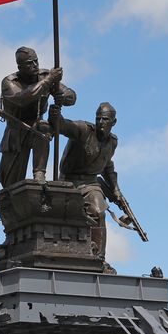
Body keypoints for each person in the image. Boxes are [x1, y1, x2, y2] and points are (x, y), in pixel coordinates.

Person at [49, 101, 120, 260]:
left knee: (99, 212)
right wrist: (56, 116)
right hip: (68, 182)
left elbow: (107, 166)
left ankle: (99, 258)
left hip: (90, 183)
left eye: (105, 120)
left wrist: (115, 189)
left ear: (113, 122)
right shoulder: (84, 130)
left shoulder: (112, 142)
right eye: (98, 118)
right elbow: (64, 126)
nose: (101, 122)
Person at [0, 46, 75, 186]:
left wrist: (63, 96)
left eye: (36, 61)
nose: (34, 65)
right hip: (15, 132)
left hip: (35, 127)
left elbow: (71, 95)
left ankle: (39, 173)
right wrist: (49, 81)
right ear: (19, 66)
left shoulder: (45, 76)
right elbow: (23, 98)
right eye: (29, 63)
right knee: (9, 183)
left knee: (43, 128)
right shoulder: (9, 82)